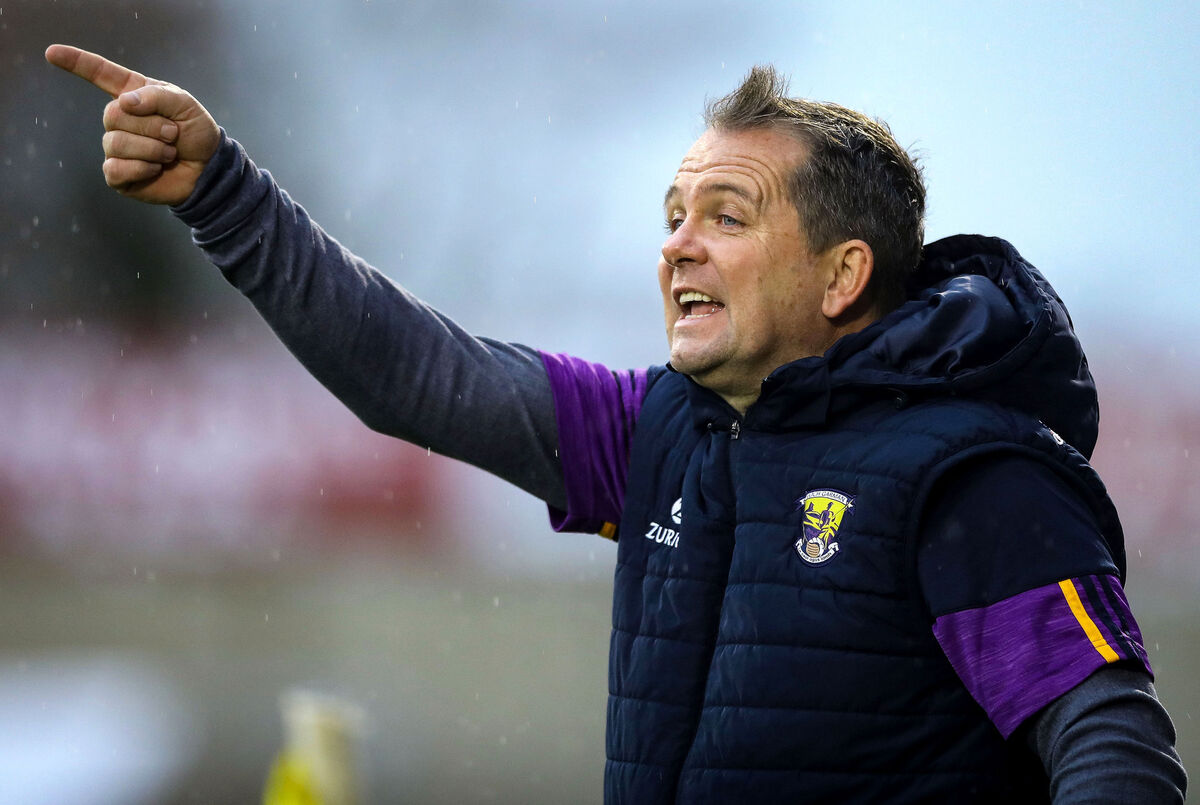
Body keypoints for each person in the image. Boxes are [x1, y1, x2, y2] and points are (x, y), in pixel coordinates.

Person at [45, 44, 1186, 803]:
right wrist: (222, 195)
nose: (678, 245)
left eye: (725, 216)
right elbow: (419, 375)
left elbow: (1110, 743)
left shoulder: (974, 479)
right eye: (672, 215)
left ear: (843, 276)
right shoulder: (666, 434)